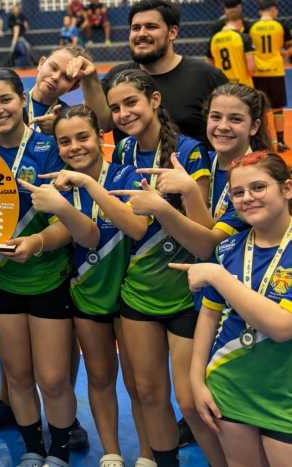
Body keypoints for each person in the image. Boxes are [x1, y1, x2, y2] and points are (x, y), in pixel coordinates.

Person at [0, 47, 107, 447]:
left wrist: (39, 241)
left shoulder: (53, 145)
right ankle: (26, 430)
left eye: (5, 100)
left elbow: (71, 218)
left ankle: (63, 431)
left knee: (53, 375)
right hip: (1, 276)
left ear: (19, 100)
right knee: (17, 372)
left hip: (53, 275)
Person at [106, 69, 228, 467]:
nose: (123, 114)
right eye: (115, 108)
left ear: (154, 100)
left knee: (191, 402)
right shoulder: (123, 152)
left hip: (186, 295)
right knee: (148, 392)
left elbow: (204, 236)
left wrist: (168, 203)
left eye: (131, 103)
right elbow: (130, 223)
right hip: (139, 291)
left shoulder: (190, 153)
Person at [29, 104, 154, 467]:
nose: (75, 147)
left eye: (82, 137)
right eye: (65, 141)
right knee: (100, 378)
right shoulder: (56, 187)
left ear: (100, 138)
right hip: (87, 294)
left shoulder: (125, 175)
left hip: (130, 296)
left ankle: (147, 453)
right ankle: (111, 452)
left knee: (138, 383)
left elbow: (137, 228)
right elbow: (72, 235)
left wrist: (89, 184)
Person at [180, 151, 292, 467]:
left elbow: (283, 327)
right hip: (229, 386)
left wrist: (217, 275)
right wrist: (197, 380)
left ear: (287, 189)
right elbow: (209, 316)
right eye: (238, 192)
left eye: (258, 187)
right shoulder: (229, 247)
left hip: (285, 393)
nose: (247, 198)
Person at [119, 82, 271, 262]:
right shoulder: (197, 159)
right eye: (216, 117)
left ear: (254, 126)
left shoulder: (259, 179)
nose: (223, 126)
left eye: (235, 119)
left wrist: (167, 204)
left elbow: (210, 249)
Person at [101, 0, 228, 148]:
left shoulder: (206, 76)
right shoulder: (117, 77)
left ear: (172, 32)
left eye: (151, 26)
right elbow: (101, 124)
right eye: (136, 28)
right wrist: (88, 80)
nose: (141, 34)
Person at [250, 0, 291, 152]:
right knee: (278, 108)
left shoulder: (252, 27)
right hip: (275, 70)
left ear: (260, 11)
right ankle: (280, 141)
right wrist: (284, 53)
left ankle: (260, 141)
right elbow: (289, 46)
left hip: (258, 72)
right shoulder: (280, 25)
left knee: (259, 108)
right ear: (274, 9)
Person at [208, 18, 255, 87]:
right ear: (239, 22)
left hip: (222, 84)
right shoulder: (242, 37)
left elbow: (210, 66)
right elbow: (251, 69)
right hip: (242, 83)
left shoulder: (213, 40)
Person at [8, 4, 33, 68]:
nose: (16, 10)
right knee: (16, 28)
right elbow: (12, 27)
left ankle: (30, 61)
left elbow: (26, 26)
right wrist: (18, 24)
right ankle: (12, 59)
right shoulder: (11, 17)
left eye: (17, 9)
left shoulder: (22, 16)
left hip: (21, 37)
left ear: (19, 10)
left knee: (27, 46)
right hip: (15, 37)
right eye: (14, 9)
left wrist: (24, 25)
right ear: (12, 10)